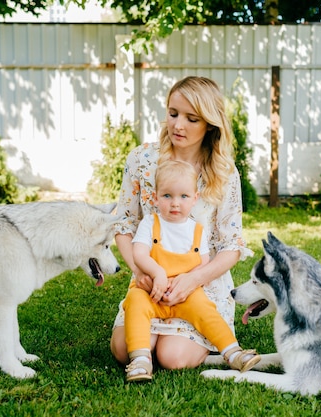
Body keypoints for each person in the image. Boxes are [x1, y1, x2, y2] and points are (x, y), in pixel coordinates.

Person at [110, 75, 254, 373]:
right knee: (125, 350)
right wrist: (141, 271)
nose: (178, 125)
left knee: (172, 358)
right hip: (151, 279)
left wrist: (193, 280)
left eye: (191, 118)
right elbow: (123, 224)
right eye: (173, 113)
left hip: (201, 282)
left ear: (210, 124)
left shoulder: (224, 172)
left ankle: (218, 345)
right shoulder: (142, 159)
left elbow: (232, 245)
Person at [123, 160, 260, 382]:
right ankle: (140, 360)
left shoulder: (197, 230)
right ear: (155, 197)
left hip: (183, 291)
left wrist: (188, 280)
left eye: (183, 196)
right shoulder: (150, 222)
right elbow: (139, 253)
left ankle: (233, 352)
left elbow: (203, 262)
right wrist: (157, 273)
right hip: (151, 290)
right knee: (135, 303)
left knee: (205, 310)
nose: (175, 203)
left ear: (195, 198)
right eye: (167, 196)